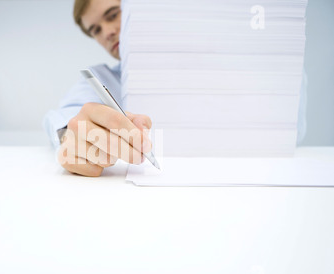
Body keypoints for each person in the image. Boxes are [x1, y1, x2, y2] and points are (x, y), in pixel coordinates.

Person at [43, 0, 307, 177]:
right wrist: (72, 136)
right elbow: (67, 116)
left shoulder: (232, 61)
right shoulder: (104, 79)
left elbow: (292, 129)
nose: (107, 32)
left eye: (113, 15)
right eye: (95, 30)